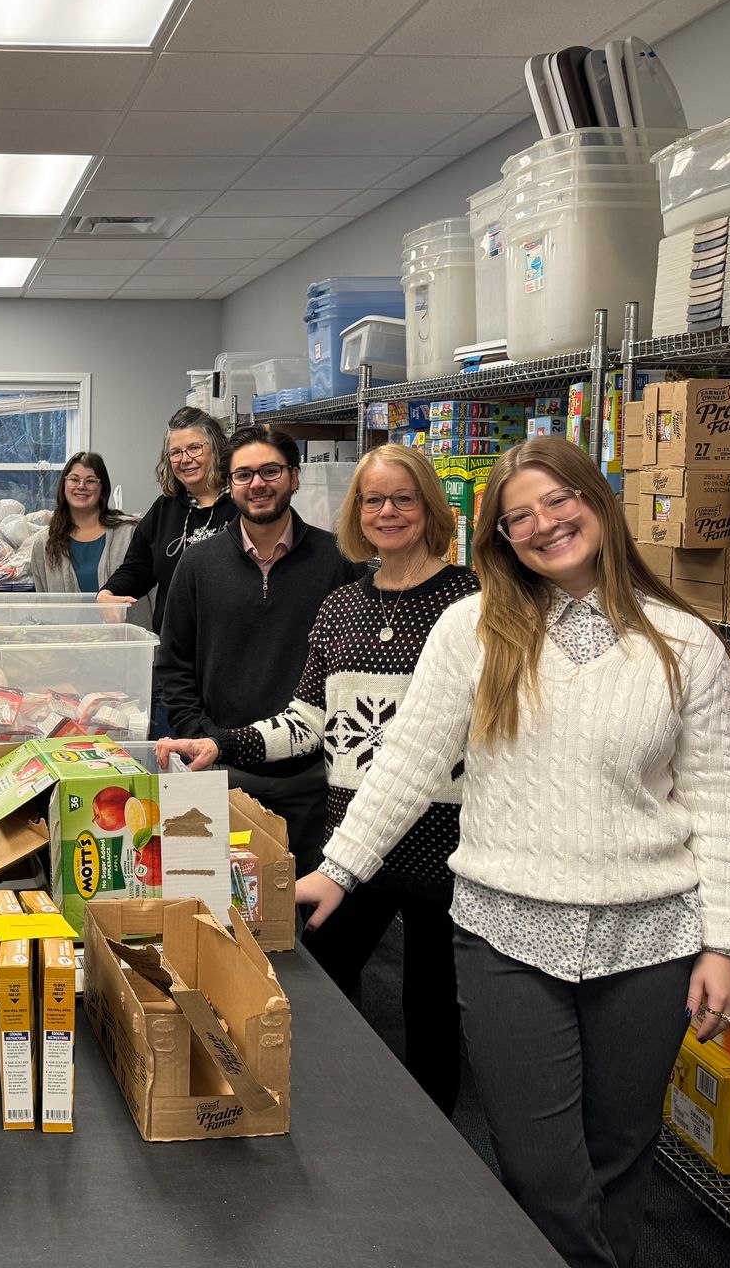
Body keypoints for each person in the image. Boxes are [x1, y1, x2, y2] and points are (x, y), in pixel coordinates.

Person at [295, 437, 730, 1268]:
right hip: (507, 932)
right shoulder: (472, 628)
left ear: (597, 500)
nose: (544, 525)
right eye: (518, 519)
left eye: (557, 501)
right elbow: (407, 760)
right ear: (500, 539)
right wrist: (339, 867)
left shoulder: (685, 645)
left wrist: (726, 944)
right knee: (540, 1165)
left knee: (621, 1153)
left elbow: (720, 804)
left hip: (649, 939)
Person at [157, 444, 474, 1115]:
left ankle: (435, 1151)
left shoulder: (471, 602)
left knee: (433, 1015)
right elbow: (304, 722)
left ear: (430, 507)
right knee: (317, 984)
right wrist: (222, 744)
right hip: (355, 848)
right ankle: (333, 1124)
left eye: (403, 498)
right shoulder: (341, 608)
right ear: (357, 511)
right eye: (372, 500)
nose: (387, 512)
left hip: (447, 846)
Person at [153, 423, 363, 883]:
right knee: (215, 908)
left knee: (302, 923)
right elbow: (174, 665)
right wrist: (206, 737)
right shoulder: (199, 564)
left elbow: (353, 673)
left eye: (270, 471)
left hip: (311, 779)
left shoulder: (340, 561)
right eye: (243, 474)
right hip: (223, 770)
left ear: (295, 476)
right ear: (229, 484)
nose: (258, 484)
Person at [97, 406, 236, 624]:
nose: (185, 459)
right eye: (176, 452)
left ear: (217, 448)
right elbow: (139, 567)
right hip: (175, 646)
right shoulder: (164, 510)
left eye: (195, 448)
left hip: (232, 641)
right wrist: (108, 592)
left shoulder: (243, 505)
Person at [24, 451, 138, 594]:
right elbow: (43, 602)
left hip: (123, 618)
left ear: (102, 489)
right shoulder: (45, 543)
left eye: (90, 481)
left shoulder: (129, 534)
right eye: (74, 479)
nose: (81, 486)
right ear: (64, 485)